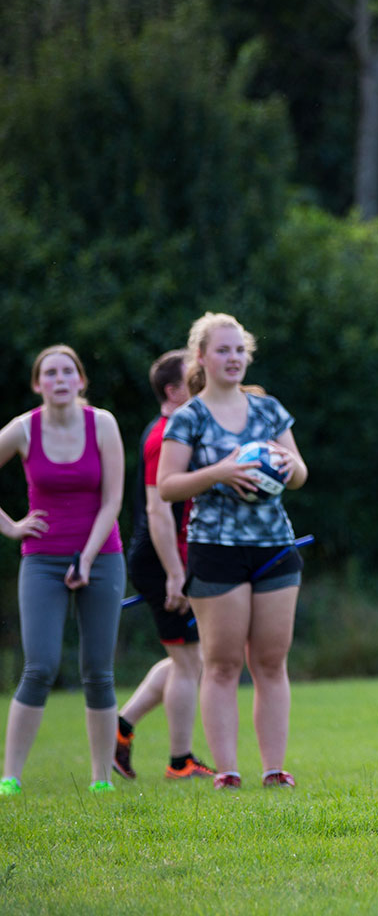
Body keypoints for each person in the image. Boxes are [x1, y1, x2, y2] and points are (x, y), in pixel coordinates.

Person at [157, 313, 308, 790]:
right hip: (216, 550)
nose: (233, 358)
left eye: (240, 350)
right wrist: (219, 472)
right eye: (223, 350)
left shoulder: (268, 410)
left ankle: (274, 769)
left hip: (274, 549)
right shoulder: (189, 417)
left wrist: (288, 465)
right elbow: (167, 486)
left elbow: (301, 472)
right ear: (201, 356)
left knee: (270, 660)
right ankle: (228, 771)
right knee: (222, 663)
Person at [0, 345, 126, 795]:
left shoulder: (103, 424)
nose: (59, 379)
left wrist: (88, 558)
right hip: (43, 560)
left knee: (98, 670)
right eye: (49, 373)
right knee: (40, 665)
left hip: (102, 556)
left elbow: (113, 499)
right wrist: (13, 527)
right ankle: (9, 776)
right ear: (37, 384)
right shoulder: (22, 430)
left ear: (81, 381)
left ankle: (101, 780)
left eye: (67, 372)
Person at [114, 350, 215, 781]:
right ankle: (180, 762)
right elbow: (158, 511)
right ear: (174, 391)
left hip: (172, 559)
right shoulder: (166, 433)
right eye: (194, 376)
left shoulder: (181, 429)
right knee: (190, 663)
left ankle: (120, 728)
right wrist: (175, 574)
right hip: (162, 560)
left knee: (188, 659)